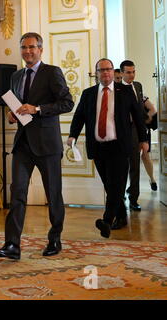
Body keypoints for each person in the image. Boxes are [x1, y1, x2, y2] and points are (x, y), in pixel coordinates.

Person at [0, 32, 74, 260]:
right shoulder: (16, 76)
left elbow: (67, 103)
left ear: (40, 49)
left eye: (31, 47)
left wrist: (37, 109)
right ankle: (12, 245)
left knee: (53, 194)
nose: (27, 51)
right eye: (23, 48)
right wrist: (13, 115)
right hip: (23, 144)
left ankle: (55, 239)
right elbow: (19, 106)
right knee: (17, 192)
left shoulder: (52, 72)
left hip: (47, 145)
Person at [68, 59, 149, 238]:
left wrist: (143, 140)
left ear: (113, 72)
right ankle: (121, 216)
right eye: (101, 70)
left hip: (119, 146)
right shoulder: (88, 94)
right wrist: (72, 135)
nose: (105, 73)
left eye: (108, 69)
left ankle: (106, 220)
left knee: (117, 185)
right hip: (98, 147)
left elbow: (138, 116)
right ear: (96, 73)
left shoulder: (126, 92)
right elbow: (79, 116)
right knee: (110, 185)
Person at [121, 60, 146, 211]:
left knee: (135, 166)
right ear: (122, 73)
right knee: (122, 167)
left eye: (133, 72)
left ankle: (134, 199)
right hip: (122, 133)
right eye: (128, 72)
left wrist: (144, 136)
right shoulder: (117, 89)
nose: (131, 75)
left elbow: (140, 110)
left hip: (136, 131)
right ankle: (119, 195)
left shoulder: (138, 86)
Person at [141, 97, 158, 191]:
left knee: (145, 156)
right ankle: (132, 186)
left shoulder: (142, 97)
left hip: (144, 130)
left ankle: (152, 179)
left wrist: (143, 120)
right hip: (130, 131)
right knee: (131, 158)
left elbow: (153, 110)